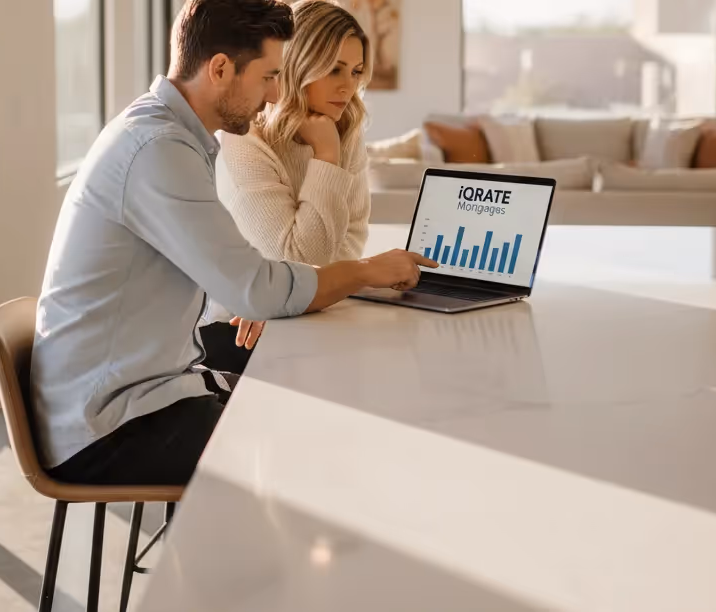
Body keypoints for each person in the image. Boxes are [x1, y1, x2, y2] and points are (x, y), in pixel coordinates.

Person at [31, 0, 435, 487]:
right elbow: (258, 289)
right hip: (110, 426)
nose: (272, 96)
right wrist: (366, 272)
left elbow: (251, 279)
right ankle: (240, 560)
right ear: (220, 68)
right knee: (315, 445)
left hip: (153, 392)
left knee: (321, 414)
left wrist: (271, 288)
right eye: (267, 76)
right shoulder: (158, 150)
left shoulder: (172, 136)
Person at [203, 0, 373, 374]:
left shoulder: (344, 128)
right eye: (333, 70)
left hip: (306, 311)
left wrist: (320, 283)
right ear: (297, 65)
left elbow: (352, 236)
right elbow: (295, 257)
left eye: (357, 71)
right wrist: (326, 155)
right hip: (233, 332)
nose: (348, 87)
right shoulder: (243, 140)